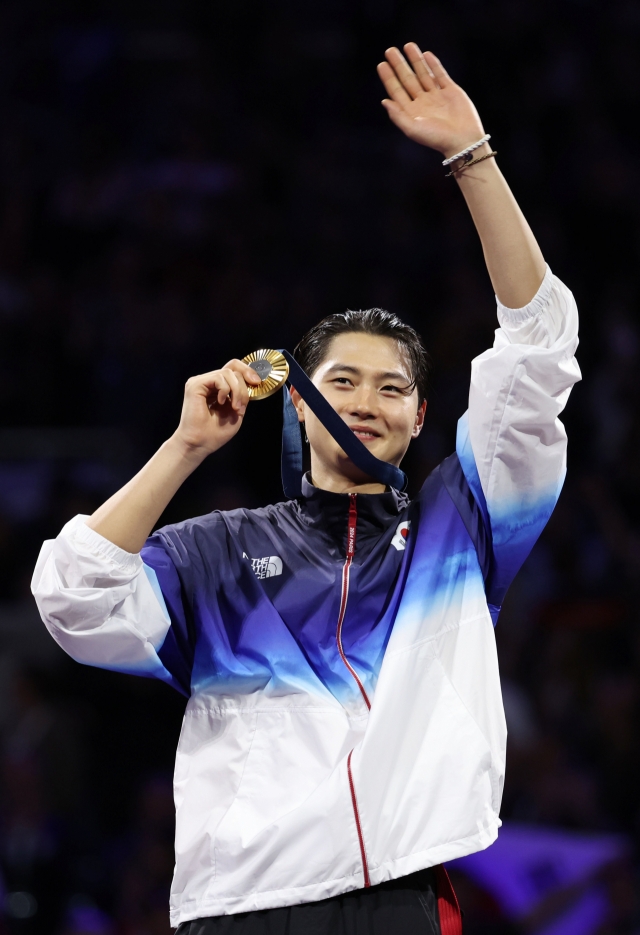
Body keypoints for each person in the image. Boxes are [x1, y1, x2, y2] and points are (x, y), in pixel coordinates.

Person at [31, 43, 580, 935]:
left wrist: (473, 158)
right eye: (345, 381)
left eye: (393, 388)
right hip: (240, 906)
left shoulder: (462, 524)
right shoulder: (214, 550)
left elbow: (538, 353)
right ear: (298, 402)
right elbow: (73, 600)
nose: (367, 402)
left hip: (399, 898)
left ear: (420, 416)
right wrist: (182, 448)